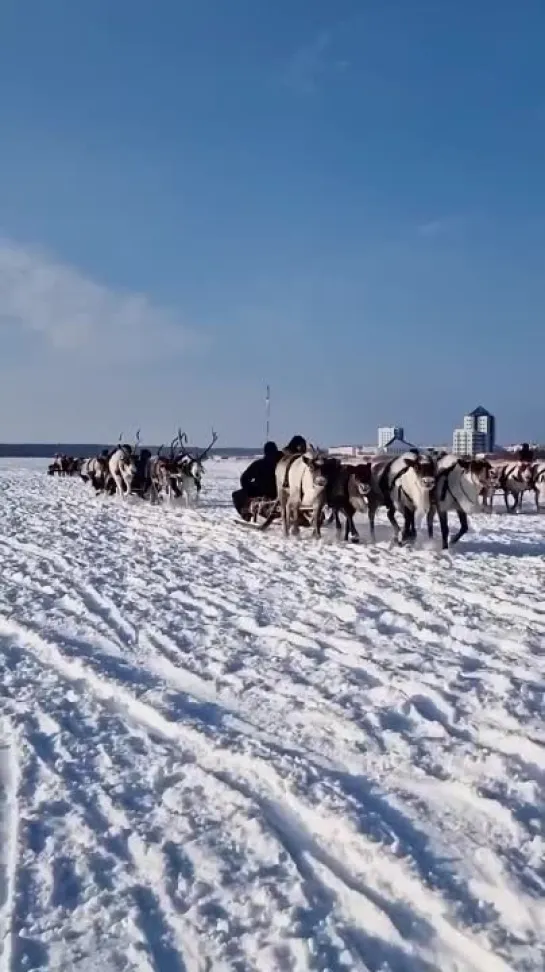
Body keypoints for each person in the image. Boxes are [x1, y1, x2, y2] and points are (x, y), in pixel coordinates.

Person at [232, 441, 281, 520]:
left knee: (236, 495)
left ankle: (245, 514)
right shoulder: (282, 463)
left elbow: (244, 478)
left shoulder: (259, 464)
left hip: (263, 492)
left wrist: (250, 489)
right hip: (280, 492)